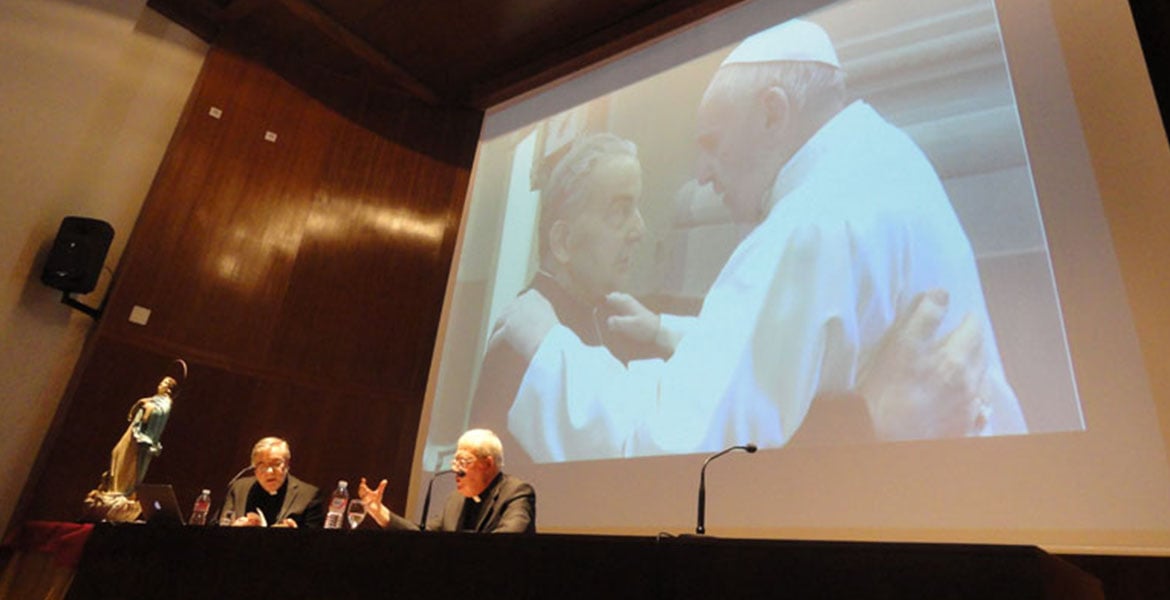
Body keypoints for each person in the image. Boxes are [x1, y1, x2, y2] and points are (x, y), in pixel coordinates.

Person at [498, 19, 1028, 461]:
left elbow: (675, 448)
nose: (701, 174)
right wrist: (664, 331)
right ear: (562, 239)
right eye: (618, 210)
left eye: (711, 142)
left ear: (773, 113)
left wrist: (547, 350)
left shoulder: (813, 222)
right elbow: (796, 363)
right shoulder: (884, 160)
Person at [469, 133, 653, 456]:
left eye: (636, 209)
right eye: (620, 211)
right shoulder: (519, 340)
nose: (640, 230)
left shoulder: (614, 320)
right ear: (563, 241)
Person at [358, 429, 535, 533]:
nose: (455, 470)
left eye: (464, 461)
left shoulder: (516, 492)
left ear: (488, 464)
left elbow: (510, 541)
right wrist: (380, 512)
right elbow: (424, 537)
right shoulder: (455, 501)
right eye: (455, 461)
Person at [220, 437, 324, 528]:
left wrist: (294, 534)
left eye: (276, 464)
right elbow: (219, 527)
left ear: (287, 465)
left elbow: (315, 542)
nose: (269, 472)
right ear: (254, 468)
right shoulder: (239, 488)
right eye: (261, 465)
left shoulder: (308, 495)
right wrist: (233, 529)